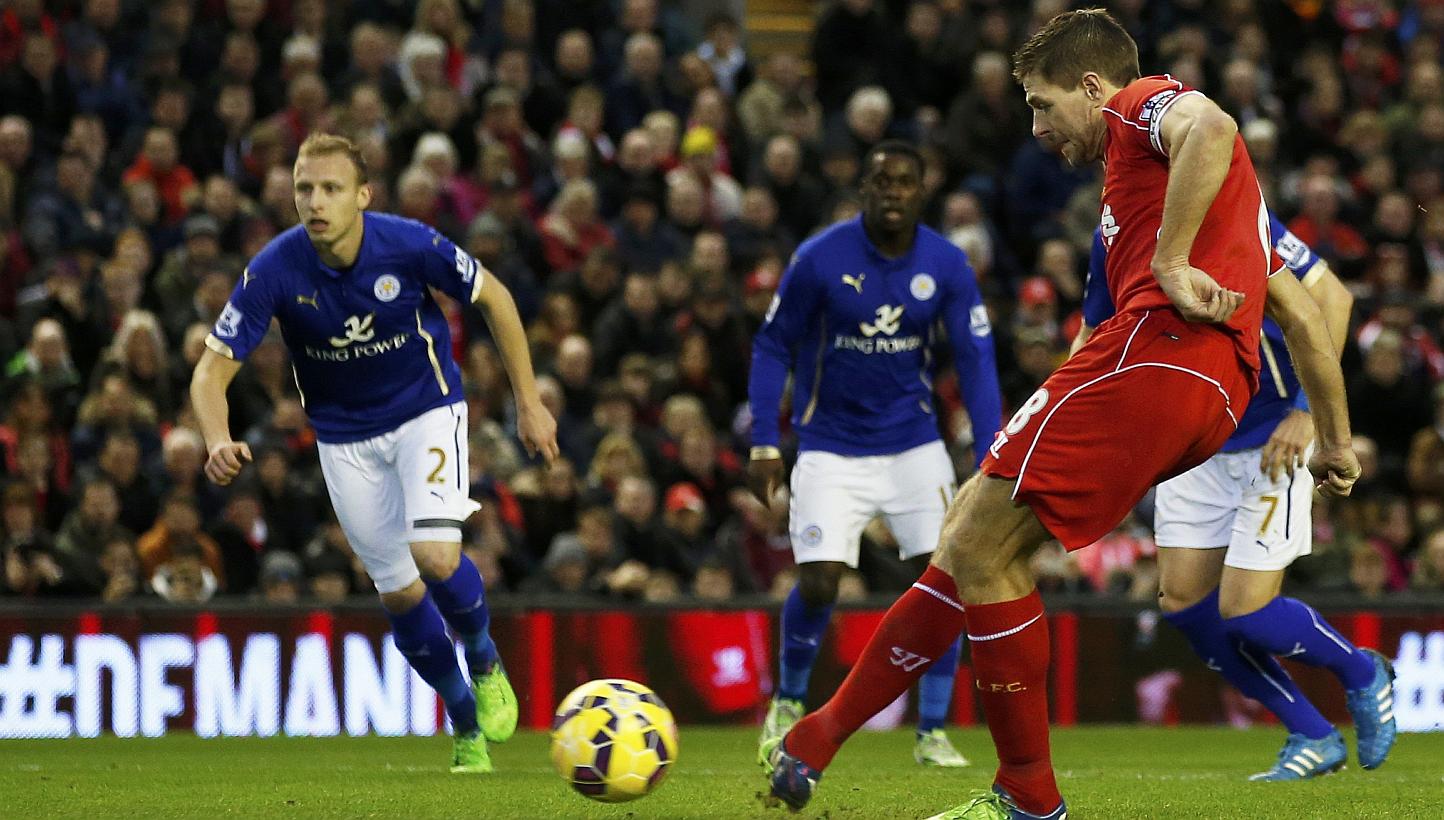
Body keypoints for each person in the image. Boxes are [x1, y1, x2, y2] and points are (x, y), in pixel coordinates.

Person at [763, 11, 1364, 819]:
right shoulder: (1217, 211)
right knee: (975, 545)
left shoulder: (1134, 106)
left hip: (1160, 354)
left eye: (1044, 106)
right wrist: (1335, 437)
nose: (1039, 128)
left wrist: (1172, 261)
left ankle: (1025, 795)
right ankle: (819, 740)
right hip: (1208, 392)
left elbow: (1211, 124)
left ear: (1089, 87)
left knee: (978, 545)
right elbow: (1297, 318)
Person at [190, 133, 557, 775]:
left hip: (426, 411)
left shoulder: (408, 244)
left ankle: (483, 654)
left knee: (437, 555)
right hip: (343, 440)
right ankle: (464, 720)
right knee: (399, 596)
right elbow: (210, 371)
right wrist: (217, 436)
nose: (314, 201)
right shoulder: (275, 268)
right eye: (304, 188)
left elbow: (494, 296)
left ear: (363, 195)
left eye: (330, 188)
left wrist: (528, 401)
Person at [1076, 214, 1397, 780]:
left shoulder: (1240, 215)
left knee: (1246, 612)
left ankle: (1362, 672)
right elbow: (1094, 335)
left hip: (1274, 440)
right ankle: (1311, 731)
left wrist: (1307, 411)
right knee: (1182, 604)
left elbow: (1335, 301)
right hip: (1193, 440)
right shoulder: (1118, 229)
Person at [748, 139, 1002, 769]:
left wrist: (995, 446)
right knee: (819, 579)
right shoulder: (819, 258)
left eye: (905, 182)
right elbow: (773, 344)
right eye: (881, 181)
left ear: (923, 191)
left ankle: (933, 731)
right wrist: (761, 436)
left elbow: (974, 357)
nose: (893, 191)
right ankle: (788, 699)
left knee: (945, 580)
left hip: (914, 443)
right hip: (829, 445)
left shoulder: (945, 263)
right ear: (863, 189)